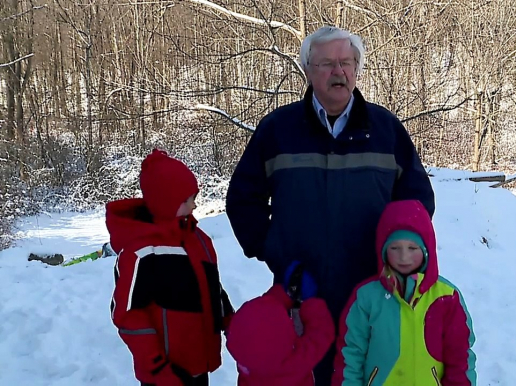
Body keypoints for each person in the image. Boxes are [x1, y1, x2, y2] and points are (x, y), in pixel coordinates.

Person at [225, 25, 435, 384]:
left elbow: (416, 203)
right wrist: (275, 250)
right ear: (308, 70)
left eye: (346, 62)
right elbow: (243, 199)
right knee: (309, 372)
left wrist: (400, 256)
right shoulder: (278, 130)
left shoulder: (385, 129)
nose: (338, 72)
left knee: (370, 372)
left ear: (357, 68)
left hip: (373, 287)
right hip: (301, 290)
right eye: (326, 64)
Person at [107, 149, 234, 386]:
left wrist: (231, 321)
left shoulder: (199, 240)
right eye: (186, 200)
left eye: (194, 196)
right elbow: (127, 314)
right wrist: (156, 367)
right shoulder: (141, 252)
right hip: (164, 372)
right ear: (165, 202)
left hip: (198, 361)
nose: (194, 205)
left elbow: (211, 287)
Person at [332, 200, 476, 386]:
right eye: (395, 248)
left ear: (426, 250)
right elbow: (351, 355)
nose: (404, 257)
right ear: (383, 250)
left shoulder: (447, 297)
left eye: (412, 248)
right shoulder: (366, 297)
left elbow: (460, 358)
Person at [227, 261, 335, 385]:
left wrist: (284, 294)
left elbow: (262, 314)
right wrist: (310, 302)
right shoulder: (293, 363)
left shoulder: (246, 361)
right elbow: (320, 335)